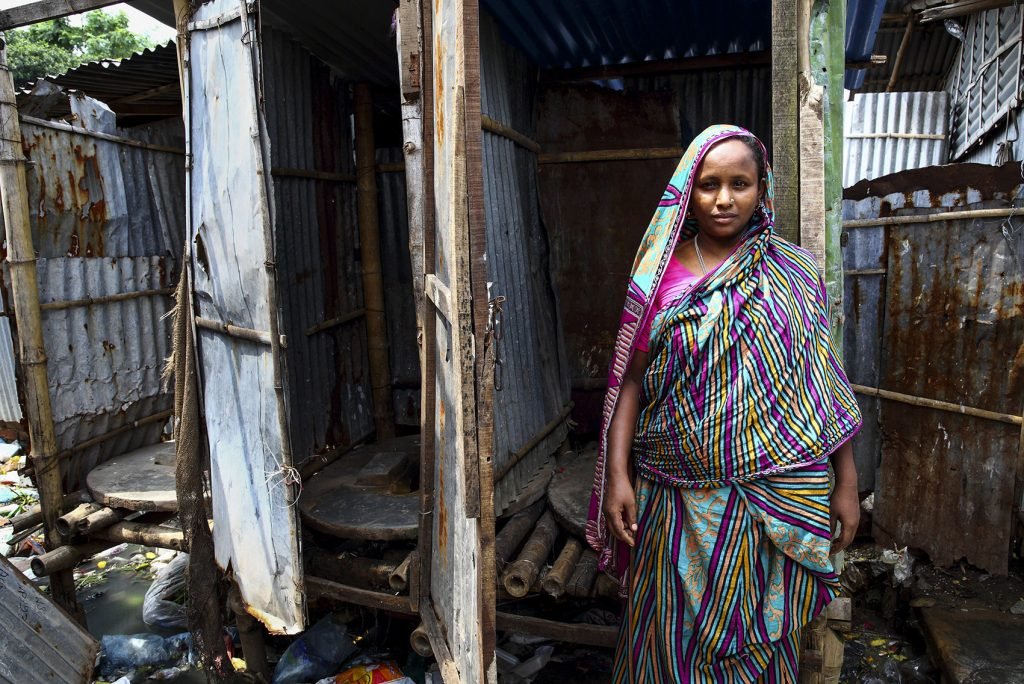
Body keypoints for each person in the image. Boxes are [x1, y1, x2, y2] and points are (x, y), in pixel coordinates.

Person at [586, 124, 862, 682]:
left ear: (763, 188)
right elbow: (631, 382)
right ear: (689, 191)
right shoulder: (657, 277)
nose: (723, 199)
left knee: (761, 640)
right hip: (676, 499)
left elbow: (822, 387)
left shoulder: (794, 275)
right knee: (669, 640)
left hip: (772, 503)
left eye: (740, 183)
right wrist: (618, 475)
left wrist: (847, 483)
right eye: (709, 184)